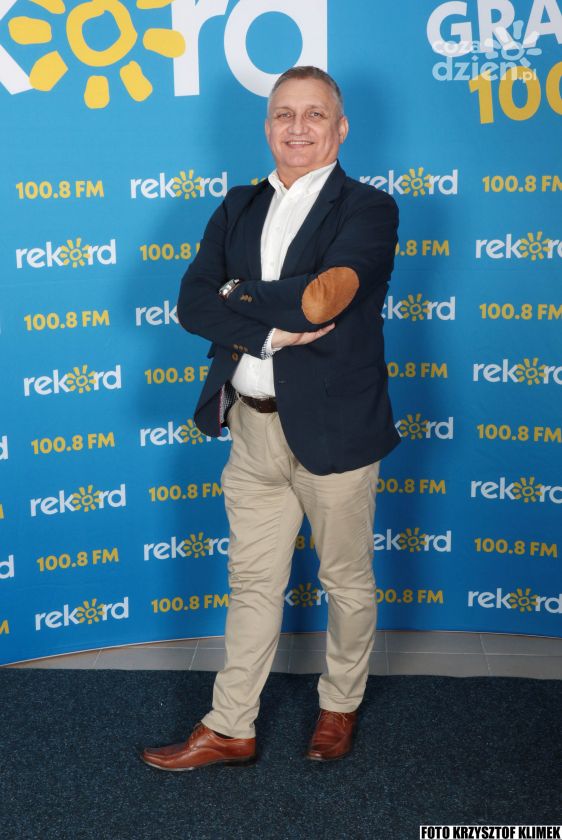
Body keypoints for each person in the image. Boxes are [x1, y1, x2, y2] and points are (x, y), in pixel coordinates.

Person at [141, 65, 400, 771]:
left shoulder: (369, 208)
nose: (297, 127)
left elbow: (326, 298)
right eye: (284, 113)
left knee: (346, 582)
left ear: (340, 128)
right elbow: (193, 302)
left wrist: (238, 295)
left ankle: (339, 705)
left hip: (338, 429)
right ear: (267, 127)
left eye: (314, 114)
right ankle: (231, 727)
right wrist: (268, 325)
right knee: (252, 583)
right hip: (252, 429)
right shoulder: (237, 205)